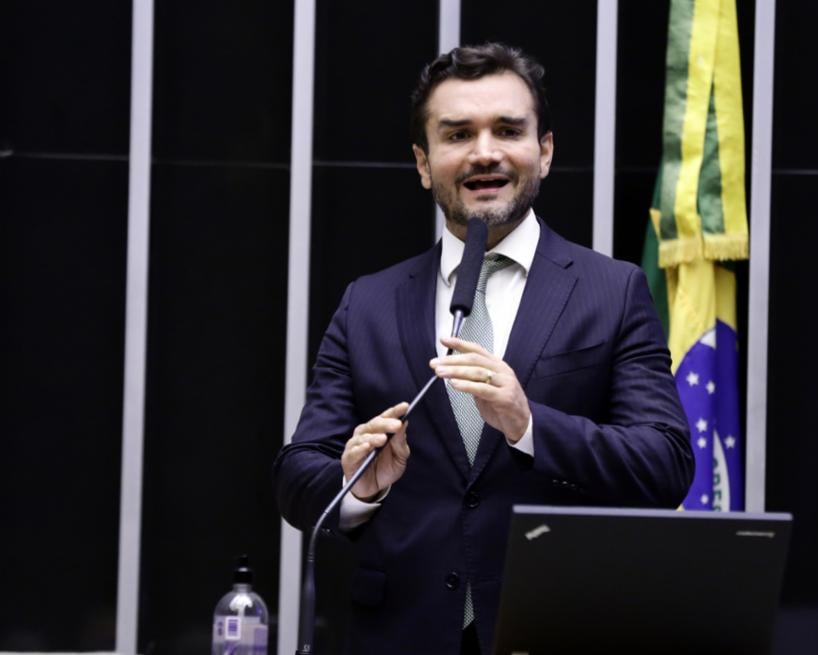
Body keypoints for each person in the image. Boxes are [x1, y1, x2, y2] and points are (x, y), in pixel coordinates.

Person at [273, 42, 694, 655]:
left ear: (544, 152)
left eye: (507, 130)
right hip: (399, 635)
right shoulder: (367, 302)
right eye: (458, 134)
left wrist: (528, 425)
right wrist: (360, 483)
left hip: (560, 627)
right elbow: (297, 475)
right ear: (423, 162)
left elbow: (664, 465)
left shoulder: (614, 290)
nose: (485, 152)